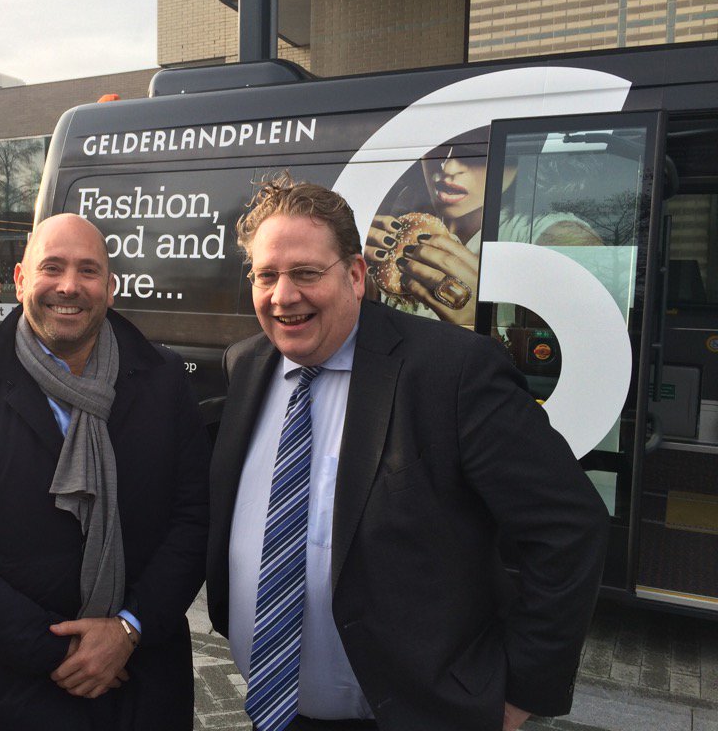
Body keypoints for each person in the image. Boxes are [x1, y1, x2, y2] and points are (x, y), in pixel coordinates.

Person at [206, 176, 610, 731]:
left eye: (306, 273)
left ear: (355, 275)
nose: (283, 296)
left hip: (416, 714)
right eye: (266, 275)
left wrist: (521, 691)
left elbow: (568, 525)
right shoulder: (246, 364)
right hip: (273, 707)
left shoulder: (453, 370)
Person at [0, 213, 210, 730]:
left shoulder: (164, 381)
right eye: (52, 267)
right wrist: (58, 651)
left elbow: (194, 520)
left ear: (110, 288)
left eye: (88, 270)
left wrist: (128, 630)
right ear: (21, 279)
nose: (69, 286)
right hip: (16, 688)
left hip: (143, 681)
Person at [364, 132, 601, 327]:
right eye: (439, 144)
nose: (449, 166)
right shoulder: (393, 224)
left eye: (476, 150)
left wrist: (484, 323)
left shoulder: (559, 238)